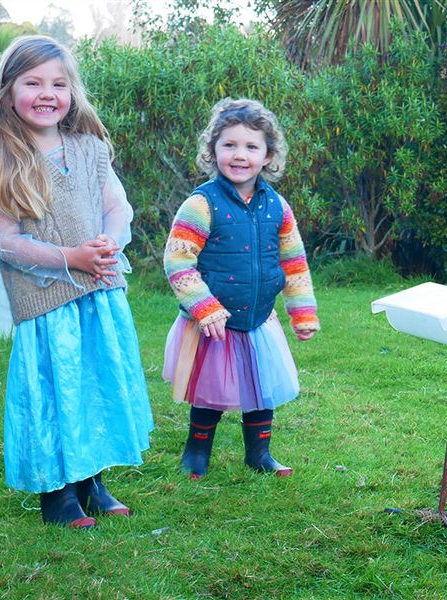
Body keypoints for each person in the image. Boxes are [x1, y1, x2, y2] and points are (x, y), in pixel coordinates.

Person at [0, 35, 153, 528]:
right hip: (47, 303)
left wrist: (109, 245)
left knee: (97, 382)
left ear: (72, 92)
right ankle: (57, 493)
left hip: (99, 292)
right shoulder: (3, 162)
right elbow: (6, 242)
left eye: (58, 83)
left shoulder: (90, 148)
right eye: (32, 82)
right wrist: (69, 258)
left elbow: (117, 206)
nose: (46, 93)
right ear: (9, 92)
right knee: (58, 392)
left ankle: (91, 480)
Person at [162, 98, 319, 480]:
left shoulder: (277, 207)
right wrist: (205, 307)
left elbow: (294, 264)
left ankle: (260, 454)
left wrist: (303, 312)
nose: (239, 155)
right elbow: (178, 260)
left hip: (258, 320)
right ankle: (196, 453)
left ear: (268, 156)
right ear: (213, 151)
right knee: (209, 393)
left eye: (251, 147)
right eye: (229, 145)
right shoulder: (201, 203)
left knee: (260, 389)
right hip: (214, 322)